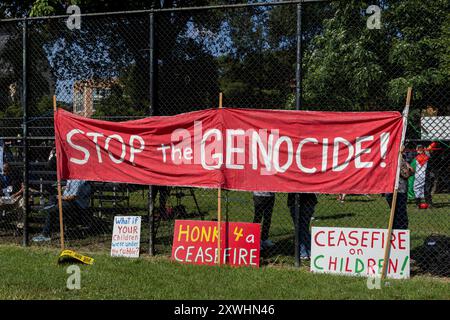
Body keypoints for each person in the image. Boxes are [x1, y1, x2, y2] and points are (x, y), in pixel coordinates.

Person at [385, 147, 414, 230]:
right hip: (398, 190)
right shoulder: (398, 159)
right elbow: (407, 174)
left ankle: (397, 230)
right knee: (400, 213)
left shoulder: (400, 158)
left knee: (396, 213)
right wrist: (408, 170)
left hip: (394, 189)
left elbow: (411, 171)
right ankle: (400, 230)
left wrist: (408, 170)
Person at [288, 193, 318, 259]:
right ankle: (305, 251)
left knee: (303, 227)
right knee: (300, 227)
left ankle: (305, 251)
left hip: (308, 200)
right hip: (295, 200)